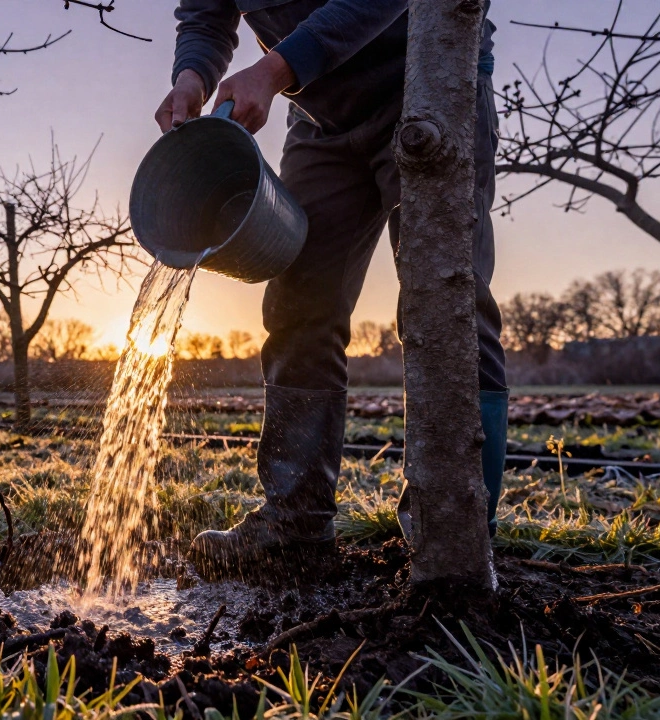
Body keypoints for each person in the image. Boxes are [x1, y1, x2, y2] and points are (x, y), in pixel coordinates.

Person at [156, 0, 509, 577]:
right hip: (321, 118)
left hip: (429, 86)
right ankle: (294, 524)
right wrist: (192, 77)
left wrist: (273, 71)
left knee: (447, 297)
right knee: (300, 306)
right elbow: (205, 13)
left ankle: (453, 532)